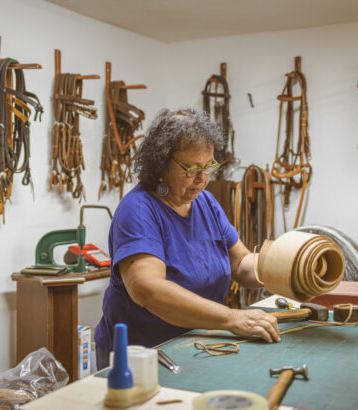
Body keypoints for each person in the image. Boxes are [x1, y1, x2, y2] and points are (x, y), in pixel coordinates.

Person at [94, 108, 280, 369]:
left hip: (196, 342)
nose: (202, 179)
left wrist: (284, 267)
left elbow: (241, 263)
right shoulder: (137, 210)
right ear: (160, 163)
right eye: (191, 169)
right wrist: (232, 318)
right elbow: (149, 291)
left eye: (208, 166)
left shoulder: (205, 202)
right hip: (143, 356)